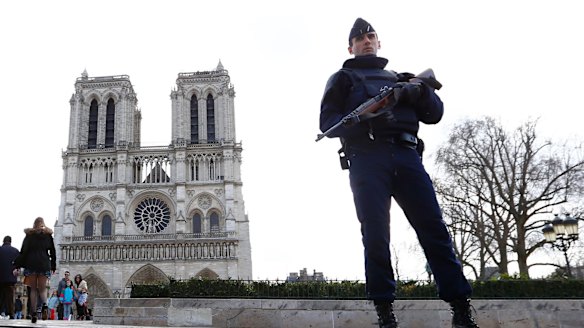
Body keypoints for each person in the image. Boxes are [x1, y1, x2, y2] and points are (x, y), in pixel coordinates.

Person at [319, 18, 479, 328]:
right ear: (349, 47)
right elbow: (329, 126)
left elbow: (435, 114)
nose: (366, 41)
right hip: (367, 158)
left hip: (407, 157)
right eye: (360, 38)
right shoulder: (342, 79)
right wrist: (368, 119)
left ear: (379, 42)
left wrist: (415, 92)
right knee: (376, 235)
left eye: (371, 36)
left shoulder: (402, 78)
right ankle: (384, 312)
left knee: (434, 230)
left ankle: (460, 307)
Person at [13, 217, 56, 323]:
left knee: (33, 290)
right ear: (43, 224)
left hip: (31, 264)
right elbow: (53, 251)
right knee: (42, 288)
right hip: (44, 263)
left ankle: (34, 314)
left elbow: (23, 252)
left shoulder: (29, 236)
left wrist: (17, 265)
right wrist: (53, 266)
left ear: (34, 225)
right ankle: (45, 305)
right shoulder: (48, 235)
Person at [0, 236, 20, 319]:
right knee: (10, 296)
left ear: (3, 241)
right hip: (10, 278)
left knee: (0, 295)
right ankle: (11, 313)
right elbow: (19, 263)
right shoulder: (15, 251)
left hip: (0, 277)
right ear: (10, 241)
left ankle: (1, 311)